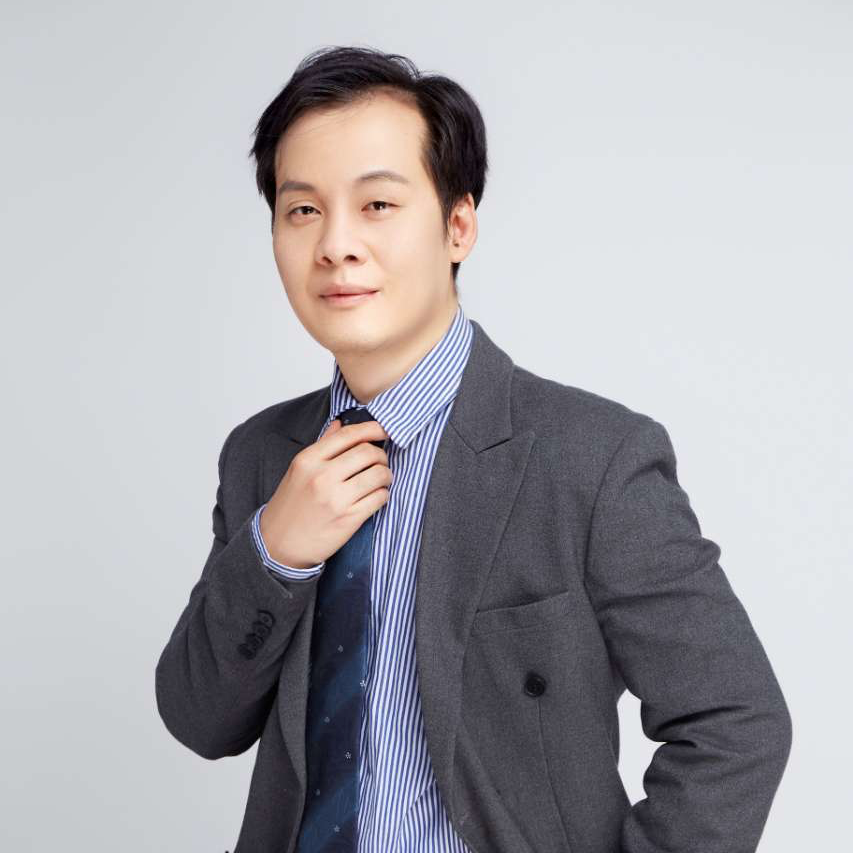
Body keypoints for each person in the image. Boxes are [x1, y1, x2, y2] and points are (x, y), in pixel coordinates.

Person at [155, 45, 792, 853]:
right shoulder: (261, 454)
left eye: (377, 204)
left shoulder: (589, 458)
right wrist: (274, 553)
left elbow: (737, 721)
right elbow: (199, 717)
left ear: (457, 226)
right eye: (302, 209)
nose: (335, 245)